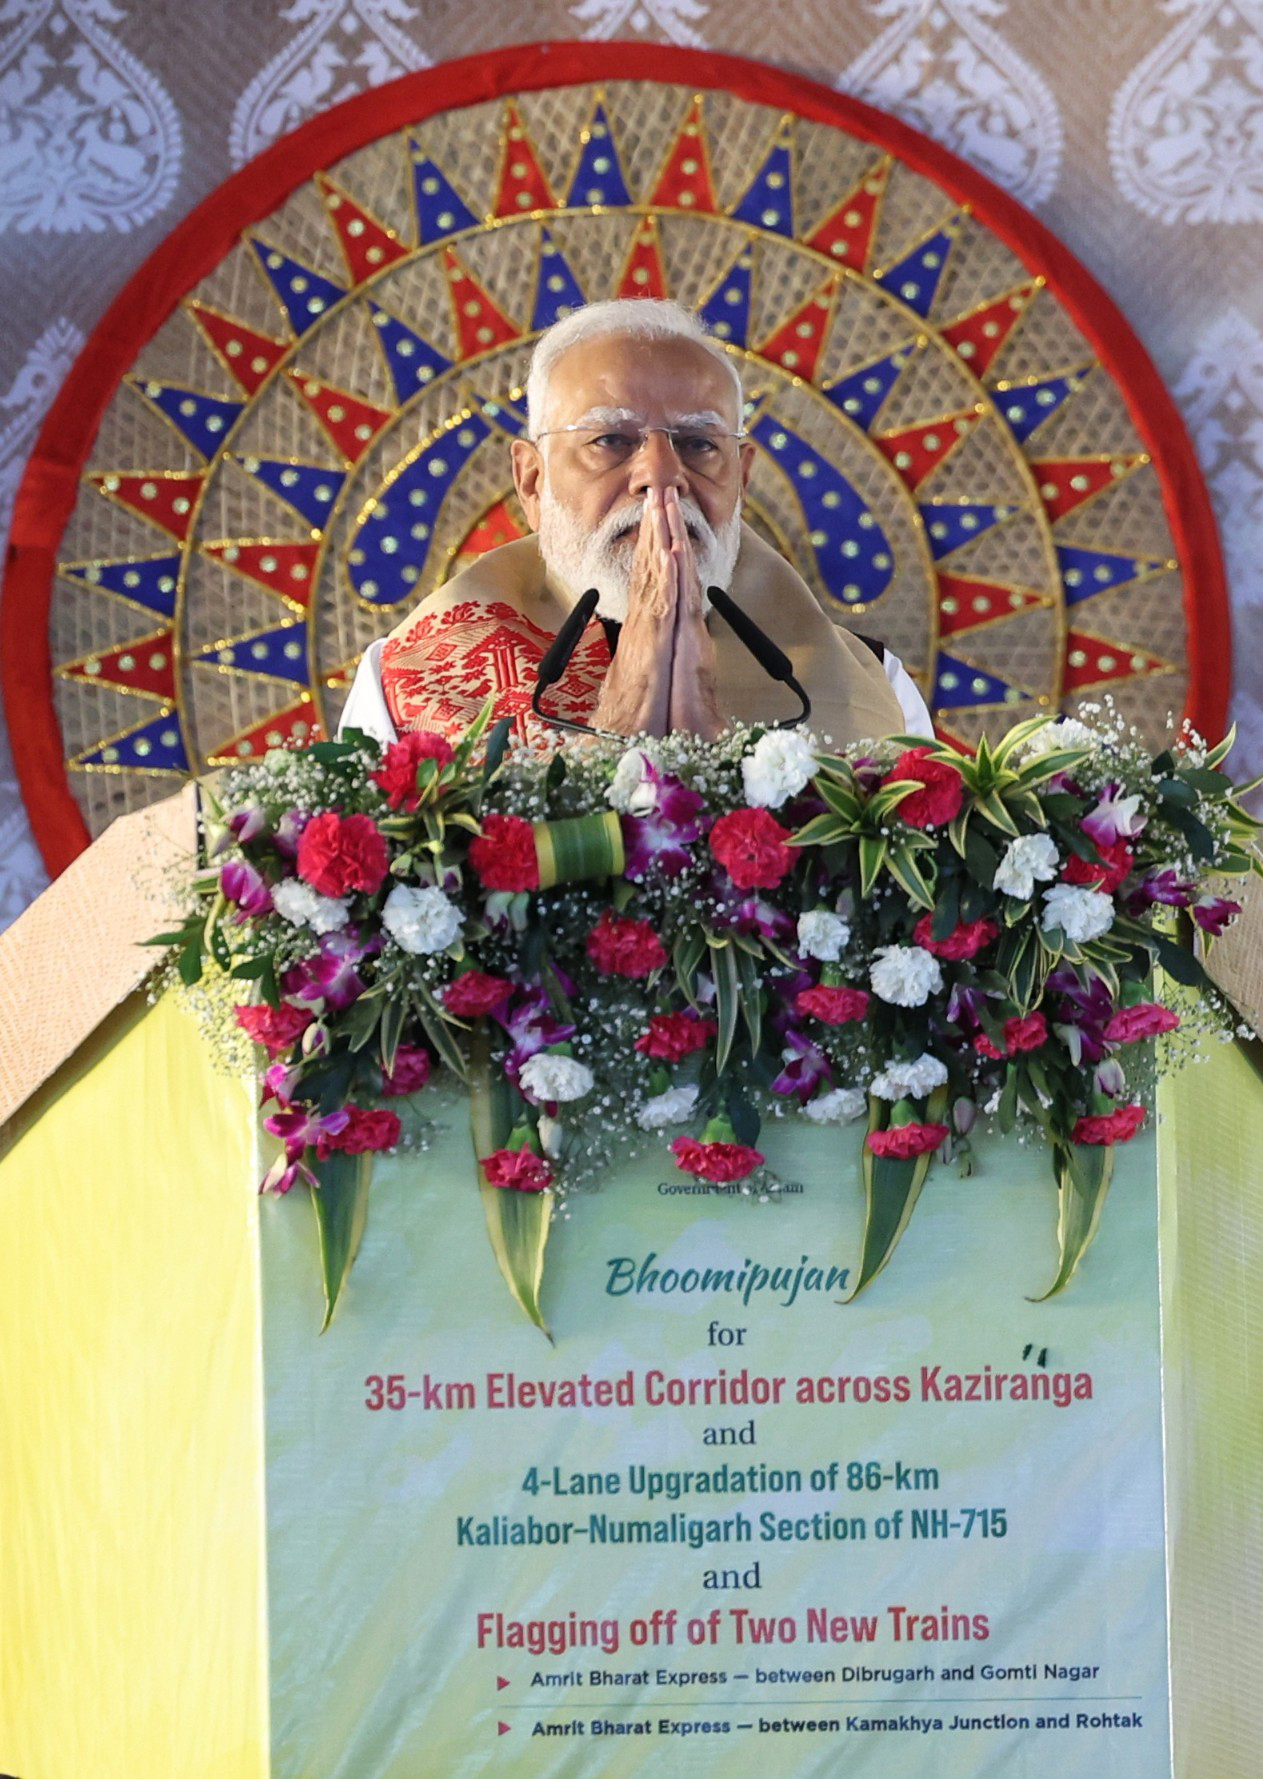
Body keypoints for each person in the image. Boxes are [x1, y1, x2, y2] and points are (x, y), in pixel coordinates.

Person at [339, 299, 932, 747]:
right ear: (533, 481)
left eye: (699, 443)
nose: (662, 474)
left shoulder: (870, 682)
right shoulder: (410, 678)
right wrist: (621, 719)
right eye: (611, 440)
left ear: (742, 478)